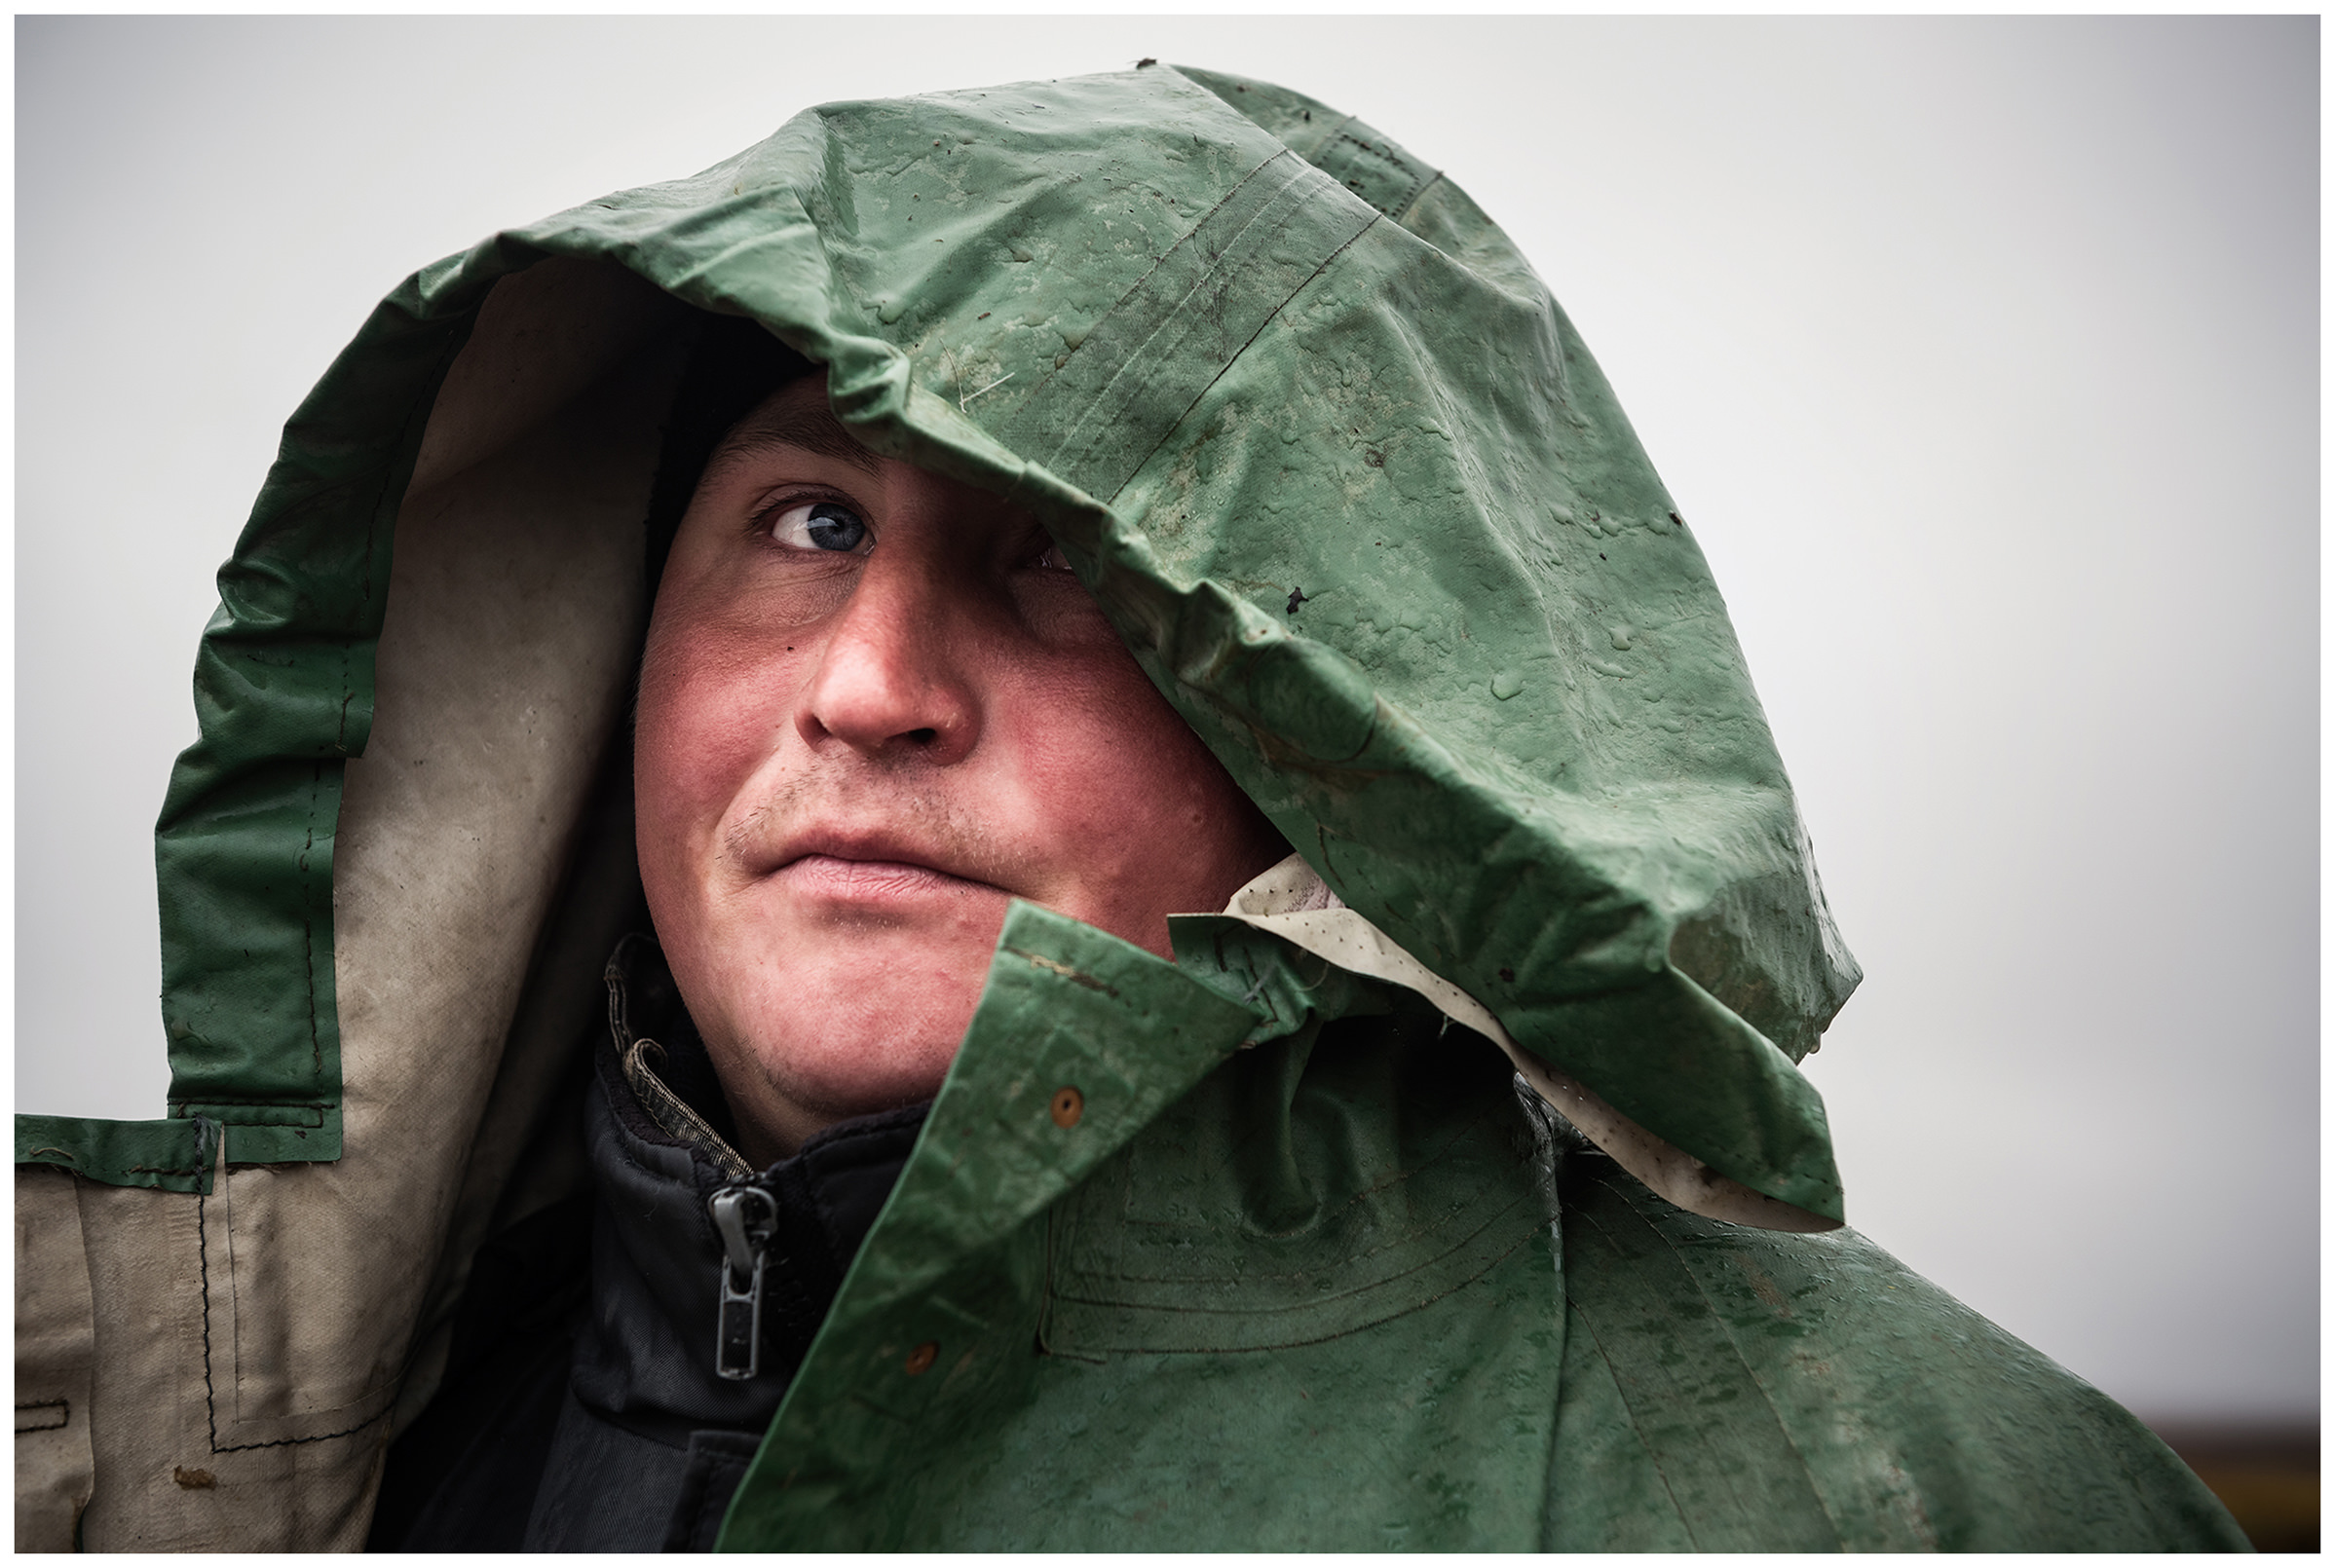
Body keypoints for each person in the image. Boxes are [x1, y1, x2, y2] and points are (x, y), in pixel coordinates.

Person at [13, 64, 2245, 1552]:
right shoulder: (245, 1454)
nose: (871, 686)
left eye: (1064, 551)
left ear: (1345, 729)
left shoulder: (1900, 1504)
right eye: (801, 521)